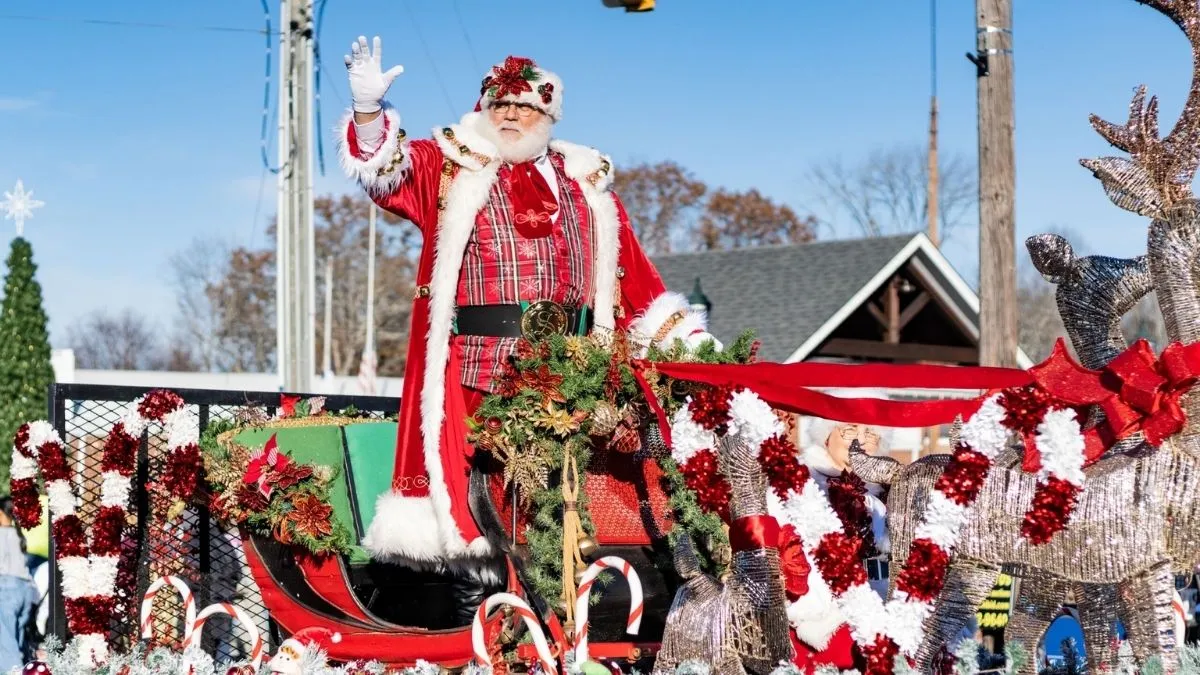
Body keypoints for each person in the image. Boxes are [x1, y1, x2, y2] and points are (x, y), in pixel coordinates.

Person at [338, 37, 718, 616]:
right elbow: (386, 173)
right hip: (475, 369)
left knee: (564, 507)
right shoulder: (450, 166)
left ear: (549, 115)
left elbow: (635, 278)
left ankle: (565, 625)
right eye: (500, 105)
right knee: (474, 508)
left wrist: (696, 348)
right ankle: (484, 633)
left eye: (526, 107)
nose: (511, 115)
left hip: (573, 369)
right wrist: (368, 112)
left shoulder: (586, 184)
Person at [0, 498, 38, 671]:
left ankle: (14, 672)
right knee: (17, 639)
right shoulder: (19, 533)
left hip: (5, 588)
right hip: (25, 589)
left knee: (6, 643)